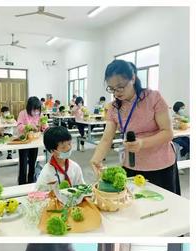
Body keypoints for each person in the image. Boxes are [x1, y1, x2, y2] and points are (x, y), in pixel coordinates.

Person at [90, 60, 180, 194]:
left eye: (120, 86)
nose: (116, 92)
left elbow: (168, 133)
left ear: (133, 78)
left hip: (160, 164)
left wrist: (143, 143)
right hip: (131, 164)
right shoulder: (113, 108)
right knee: (134, 207)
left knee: (163, 206)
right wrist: (96, 159)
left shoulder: (153, 98)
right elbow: (106, 139)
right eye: (112, 88)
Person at [35, 126, 84, 191]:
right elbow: (40, 192)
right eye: (63, 147)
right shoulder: (47, 172)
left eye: (69, 144)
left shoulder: (75, 167)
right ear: (52, 151)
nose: (68, 148)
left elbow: (82, 187)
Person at [16, 97, 42, 184]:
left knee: (32, 163)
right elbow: (19, 127)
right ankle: (22, 182)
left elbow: (43, 125)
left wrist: (44, 126)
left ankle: (31, 181)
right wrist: (29, 126)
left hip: (34, 142)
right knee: (23, 164)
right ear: (29, 108)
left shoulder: (39, 114)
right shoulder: (22, 113)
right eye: (34, 109)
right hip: (24, 141)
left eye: (37, 110)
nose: (36, 112)